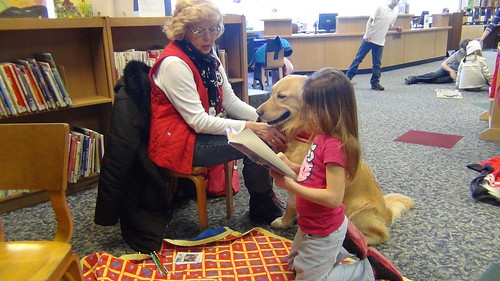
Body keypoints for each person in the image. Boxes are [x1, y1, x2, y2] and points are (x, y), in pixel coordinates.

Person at [148, 0, 286, 224]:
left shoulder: (208, 54)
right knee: (256, 141)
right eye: (200, 30)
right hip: (180, 143)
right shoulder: (174, 63)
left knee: (262, 133)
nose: (209, 37)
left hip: (197, 134)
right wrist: (251, 127)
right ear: (183, 30)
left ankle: (264, 199)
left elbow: (230, 101)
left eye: (213, 29)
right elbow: (198, 121)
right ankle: (262, 204)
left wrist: (263, 120)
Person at [270, 67, 403, 281]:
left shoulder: (335, 147)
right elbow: (312, 173)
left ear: (332, 111)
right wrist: (289, 167)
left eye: (311, 109)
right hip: (309, 224)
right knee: (293, 264)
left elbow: (332, 199)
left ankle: (366, 270)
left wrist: (289, 185)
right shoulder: (319, 137)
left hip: (324, 229)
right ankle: (340, 253)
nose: (304, 114)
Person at [346, 0, 403, 91]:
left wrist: (396, 28)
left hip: (380, 42)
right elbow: (370, 20)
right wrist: (367, 33)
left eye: (398, 0)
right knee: (358, 59)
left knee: (377, 64)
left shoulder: (395, 13)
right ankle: (347, 80)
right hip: (368, 39)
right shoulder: (380, 7)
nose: (396, 1)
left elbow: (388, 26)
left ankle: (375, 83)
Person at [405, 39, 471, 85]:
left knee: (438, 81)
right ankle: (414, 78)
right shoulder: (457, 54)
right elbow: (444, 64)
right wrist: (451, 71)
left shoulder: (474, 55)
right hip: (447, 69)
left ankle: (416, 80)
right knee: (435, 75)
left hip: (456, 75)